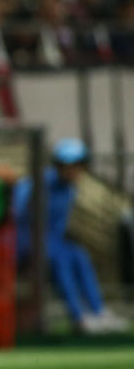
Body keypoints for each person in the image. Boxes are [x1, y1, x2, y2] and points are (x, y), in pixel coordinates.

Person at [12, 138, 128, 333]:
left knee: (79, 254)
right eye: (66, 166)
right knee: (62, 259)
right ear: (58, 166)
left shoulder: (70, 188)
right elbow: (18, 213)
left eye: (77, 165)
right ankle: (79, 316)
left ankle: (98, 312)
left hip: (54, 243)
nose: (72, 170)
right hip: (27, 244)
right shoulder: (38, 183)